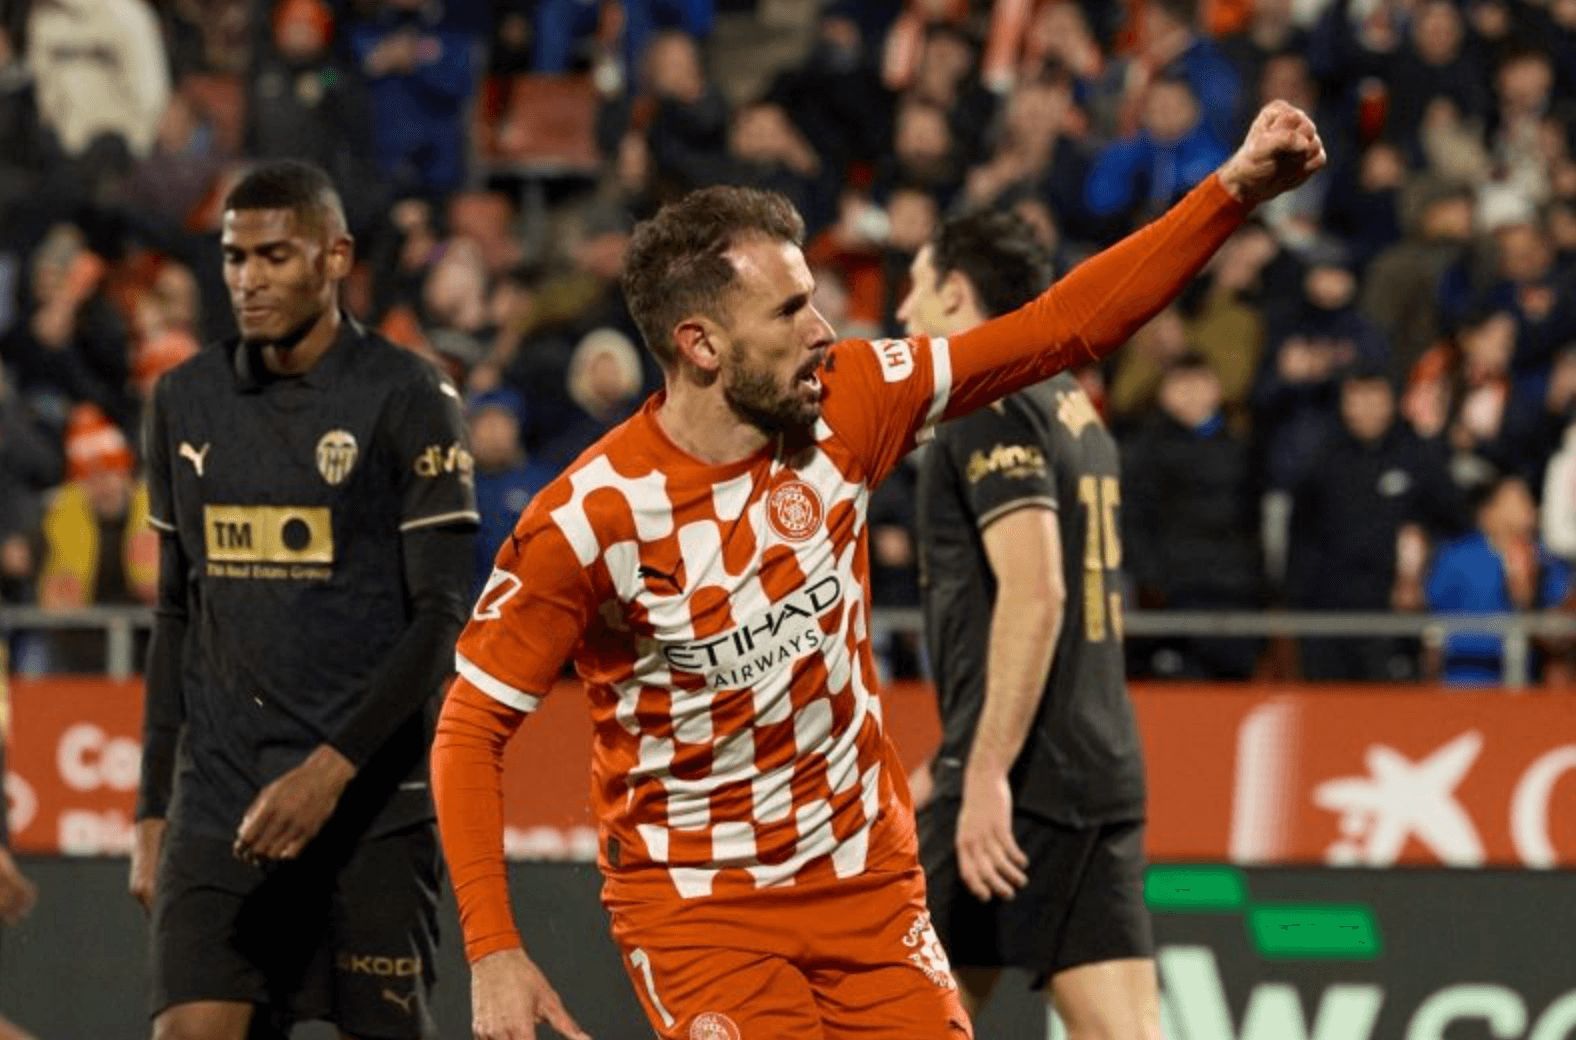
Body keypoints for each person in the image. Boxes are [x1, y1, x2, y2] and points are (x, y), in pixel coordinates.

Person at [431, 101, 1323, 1040]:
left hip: (869, 883)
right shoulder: (588, 518)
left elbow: (1062, 329)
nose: (825, 328)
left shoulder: (853, 400)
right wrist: (493, 951)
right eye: (789, 310)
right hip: (701, 911)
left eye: (813, 296)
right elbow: (469, 725)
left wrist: (1232, 193)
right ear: (700, 345)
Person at [131, 160, 478, 1040]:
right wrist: (150, 810)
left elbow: (441, 619)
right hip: (221, 804)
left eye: (275, 256)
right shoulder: (183, 400)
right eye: (235, 257)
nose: (249, 280)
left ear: (335, 257)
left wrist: (329, 772)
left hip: (369, 805)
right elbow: (176, 614)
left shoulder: (409, 397)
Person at [896, 209, 1156, 1038]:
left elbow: (1037, 592)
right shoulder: (1071, 402)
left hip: (1018, 789)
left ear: (956, 293)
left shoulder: (988, 398)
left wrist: (981, 774)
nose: (904, 313)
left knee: (888, 1019)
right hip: (1094, 771)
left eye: (915, 289)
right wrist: (948, 766)